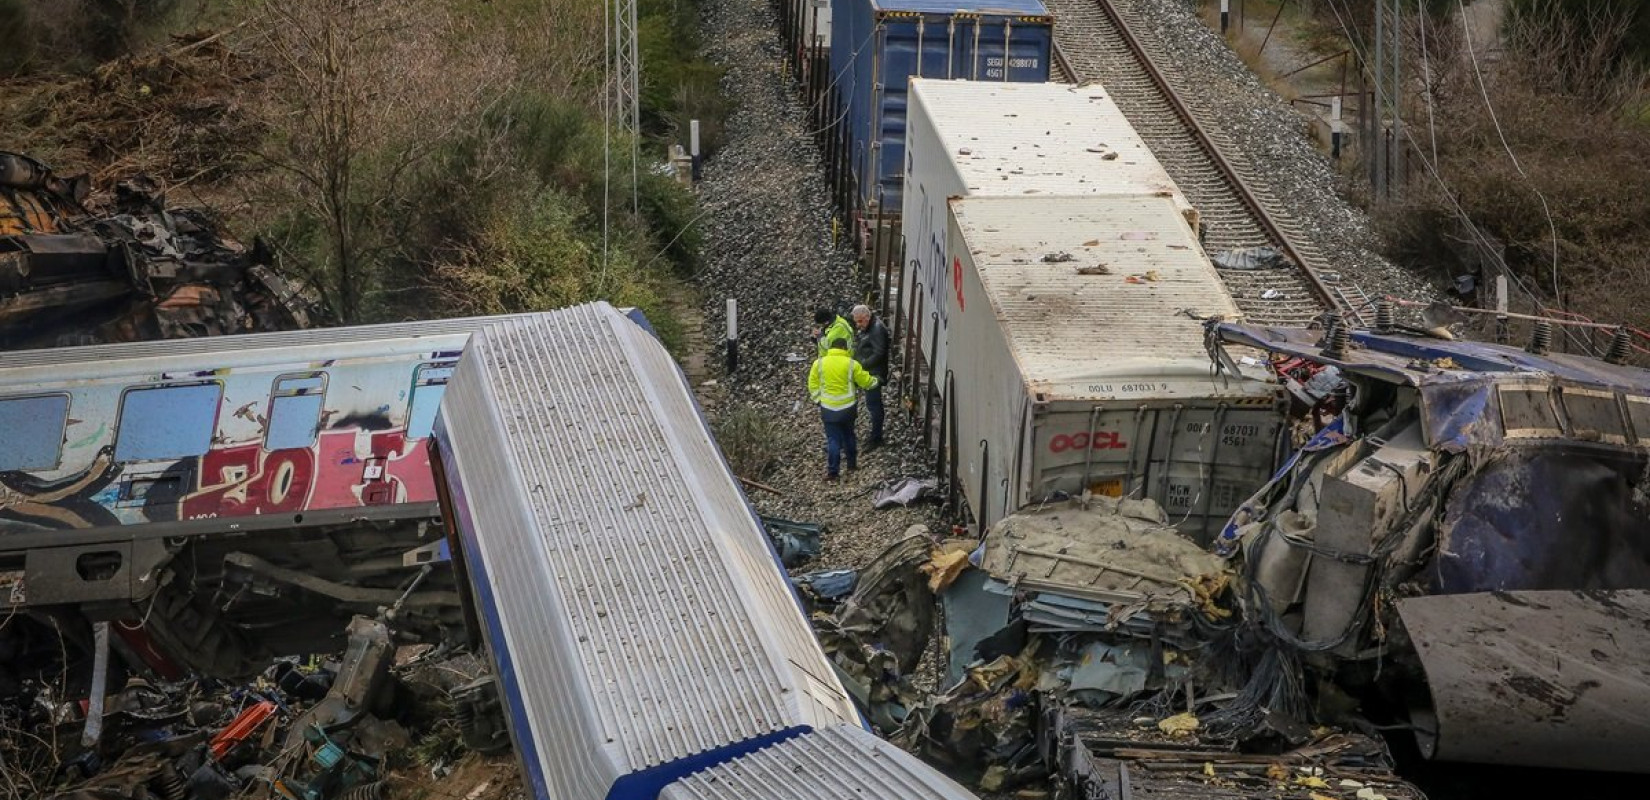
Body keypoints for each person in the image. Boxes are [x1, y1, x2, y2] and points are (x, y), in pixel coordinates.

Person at [807, 336, 878, 480]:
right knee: (849, 435)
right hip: (847, 408)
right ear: (845, 348)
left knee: (833, 439)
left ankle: (833, 472)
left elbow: (812, 384)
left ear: (831, 348)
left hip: (828, 408)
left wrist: (818, 399)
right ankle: (852, 464)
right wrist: (876, 381)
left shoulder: (819, 364)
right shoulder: (852, 364)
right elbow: (865, 381)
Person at [850, 304, 890, 449]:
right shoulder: (871, 327)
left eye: (860, 321)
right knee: (872, 405)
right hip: (870, 372)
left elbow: (879, 352)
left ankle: (876, 437)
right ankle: (875, 435)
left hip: (874, 374)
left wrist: (863, 365)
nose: (858, 325)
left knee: (874, 405)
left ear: (867, 317)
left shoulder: (877, 329)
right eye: (856, 322)